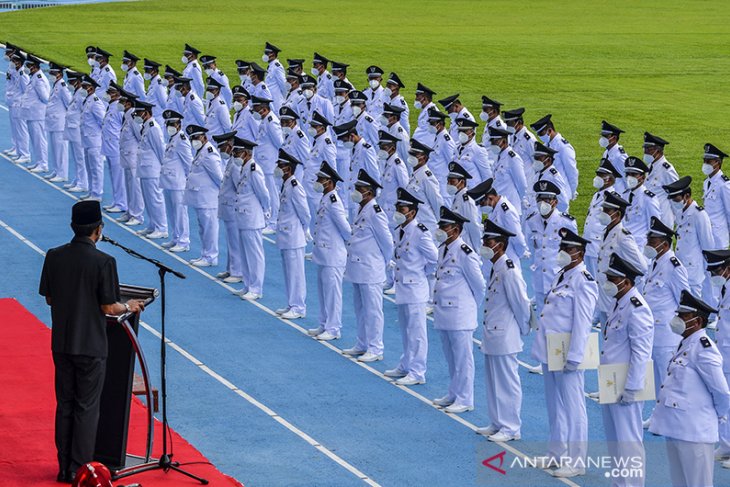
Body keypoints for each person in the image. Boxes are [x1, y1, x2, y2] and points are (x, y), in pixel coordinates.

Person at [39, 200, 146, 483]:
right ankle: (80, 470)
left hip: (61, 343)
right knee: (87, 407)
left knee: (65, 405)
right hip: (91, 346)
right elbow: (109, 307)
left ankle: (64, 467)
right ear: (98, 230)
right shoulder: (104, 262)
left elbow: (49, 297)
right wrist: (130, 306)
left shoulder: (54, 255)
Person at [530, 227, 598, 478]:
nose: (563, 252)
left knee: (573, 406)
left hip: (568, 351)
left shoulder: (584, 280)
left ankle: (577, 460)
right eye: (562, 248)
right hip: (551, 349)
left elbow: (583, 322)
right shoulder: (562, 274)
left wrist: (576, 356)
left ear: (579, 253)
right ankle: (556, 453)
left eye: (568, 249)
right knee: (554, 404)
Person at [649, 291, 730, 487]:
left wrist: (711, 418)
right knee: (681, 482)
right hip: (677, 427)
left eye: (683, 317)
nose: (677, 320)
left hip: (695, 430)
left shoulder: (704, 349)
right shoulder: (685, 343)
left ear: (698, 321)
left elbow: (721, 392)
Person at [600, 253, 653, 487]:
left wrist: (632, 387)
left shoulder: (637, 308)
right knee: (614, 438)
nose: (609, 282)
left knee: (629, 440)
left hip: (626, 382)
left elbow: (641, 352)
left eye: (613, 278)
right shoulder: (619, 302)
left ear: (627, 282)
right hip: (611, 378)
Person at [477, 220, 530, 442]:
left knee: (507, 382)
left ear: (500, 244)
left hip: (505, 335)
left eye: (488, 241)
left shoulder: (509, 271)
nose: (485, 244)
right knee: (493, 381)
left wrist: (522, 329)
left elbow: (521, 304)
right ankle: (497, 421)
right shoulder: (496, 267)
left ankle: (511, 427)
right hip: (493, 333)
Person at [431, 206, 486, 414]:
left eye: (444, 227)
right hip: (444, 311)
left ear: (455, 229)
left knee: (463, 359)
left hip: (460, 313)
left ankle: (465, 398)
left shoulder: (466, 253)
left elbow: (479, 286)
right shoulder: (442, 248)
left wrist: (470, 308)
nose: (441, 230)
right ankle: (454, 392)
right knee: (450, 356)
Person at [384, 188, 438, 385]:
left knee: (417, 333)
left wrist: (422, 274)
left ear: (412, 212)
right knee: (407, 330)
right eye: (398, 206)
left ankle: (417, 371)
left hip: (415, 288)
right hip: (403, 287)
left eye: (402, 208)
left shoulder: (420, 233)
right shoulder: (401, 230)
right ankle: (406, 364)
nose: (398, 210)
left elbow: (435, 259)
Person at [641, 217, 688, 429]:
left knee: (668, 379)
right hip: (653, 330)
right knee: (658, 377)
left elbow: (684, 299)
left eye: (653, 241)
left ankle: (673, 419)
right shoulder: (656, 262)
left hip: (666, 332)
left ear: (665, 243)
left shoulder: (673, 266)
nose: (649, 244)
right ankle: (659, 416)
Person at [342, 169, 394, 362]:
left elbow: (387, 242)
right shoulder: (361, 208)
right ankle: (362, 343)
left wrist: (383, 262)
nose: (355, 191)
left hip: (371, 268)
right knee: (360, 308)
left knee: (373, 310)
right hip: (358, 267)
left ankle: (375, 347)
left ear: (369, 192)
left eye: (360, 189)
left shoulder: (375, 212)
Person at [307, 162, 351, 341]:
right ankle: (324, 323)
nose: (318, 181)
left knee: (332, 293)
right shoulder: (326, 198)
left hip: (333, 254)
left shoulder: (334, 202)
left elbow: (345, 229)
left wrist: (345, 247)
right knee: (323, 290)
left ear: (330, 182)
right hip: (323, 253)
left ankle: (334, 328)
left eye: (321, 179)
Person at [595, 191, 647, 323]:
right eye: (603, 209)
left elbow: (642, 266)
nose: (603, 213)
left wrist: (624, 281)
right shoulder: (605, 232)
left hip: (616, 295)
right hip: (604, 293)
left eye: (607, 210)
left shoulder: (623, 237)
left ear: (617, 214)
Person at [525, 180, 578, 312]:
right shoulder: (531, 221)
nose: (543, 203)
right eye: (540, 199)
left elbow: (574, 253)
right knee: (541, 318)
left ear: (555, 202)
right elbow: (532, 247)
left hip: (558, 279)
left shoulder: (566, 222)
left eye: (547, 199)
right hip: (539, 278)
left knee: (558, 318)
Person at [663, 176, 715, 298]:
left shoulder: (699, 215)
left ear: (686, 196)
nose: (673, 202)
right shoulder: (681, 212)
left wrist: (706, 274)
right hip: (681, 268)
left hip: (694, 272)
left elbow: (708, 246)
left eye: (676, 199)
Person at [274, 150, 310, 319]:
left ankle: (298, 307)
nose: (278, 169)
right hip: (286, 235)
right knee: (289, 272)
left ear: (288, 169)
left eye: (281, 166)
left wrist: (304, 230)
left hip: (294, 236)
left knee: (296, 273)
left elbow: (304, 212)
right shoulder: (287, 184)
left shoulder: (295, 187)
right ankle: (291, 303)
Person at [233, 137, 270, 301]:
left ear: (246, 153)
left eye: (238, 152)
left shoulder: (254, 170)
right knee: (245, 253)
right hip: (243, 216)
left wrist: (265, 212)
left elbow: (263, 194)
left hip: (252, 217)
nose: (235, 155)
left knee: (254, 254)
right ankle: (248, 285)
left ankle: (256, 288)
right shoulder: (245, 168)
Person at [703, 249, 730, 463]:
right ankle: (726, 444)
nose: (714, 275)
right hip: (725, 351)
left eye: (718, 271)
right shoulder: (726, 288)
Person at [184, 125, 223, 267]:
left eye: (197, 137)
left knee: (209, 228)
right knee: (203, 228)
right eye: (192, 138)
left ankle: (211, 256)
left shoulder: (209, 154)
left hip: (208, 198)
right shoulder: (201, 151)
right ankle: (205, 254)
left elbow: (219, 178)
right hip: (201, 197)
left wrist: (222, 196)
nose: (194, 140)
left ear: (204, 137)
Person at [468, 178, 529, 264]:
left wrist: (518, 254)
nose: (481, 207)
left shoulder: (507, 212)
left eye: (482, 204)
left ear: (490, 198)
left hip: (507, 257)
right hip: (494, 258)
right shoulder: (493, 208)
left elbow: (517, 238)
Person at [134, 100, 167, 239]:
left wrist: (162, 168)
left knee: (155, 199)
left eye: (139, 113)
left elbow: (160, 149)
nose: (137, 115)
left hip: (152, 169)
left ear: (146, 113)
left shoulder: (154, 128)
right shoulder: (146, 126)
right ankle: (152, 224)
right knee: (148, 199)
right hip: (145, 168)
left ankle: (161, 227)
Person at [583, 158, 621, 279]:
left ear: (609, 179)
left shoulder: (613, 199)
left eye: (601, 175)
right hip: (589, 243)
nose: (597, 178)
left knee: (598, 279)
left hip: (599, 245)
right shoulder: (597, 195)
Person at [160, 110, 192, 253]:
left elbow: (188, 163)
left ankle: (183, 240)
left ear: (179, 124)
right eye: (168, 124)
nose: (170, 126)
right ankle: (175, 237)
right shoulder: (173, 138)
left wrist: (187, 181)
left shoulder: (182, 140)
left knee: (180, 212)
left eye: (172, 124)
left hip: (178, 182)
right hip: (168, 181)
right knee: (171, 212)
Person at [251, 95, 283, 233]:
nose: (254, 111)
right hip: (263, 162)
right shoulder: (265, 120)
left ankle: (274, 221)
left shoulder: (271, 121)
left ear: (263, 109)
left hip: (270, 163)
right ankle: (268, 217)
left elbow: (279, 143)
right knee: (267, 192)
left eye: (256, 108)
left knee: (273, 193)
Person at [530, 114, 578, 201]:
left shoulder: (563, 147)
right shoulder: (546, 145)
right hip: (546, 190)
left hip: (560, 192)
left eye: (541, 133)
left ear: (549, 130)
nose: (539, 136)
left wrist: (572, 191)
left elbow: (572, 171)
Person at [116, 88, 144, 227]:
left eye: (121, 101)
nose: (119, 103)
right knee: (128, 185)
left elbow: (140, 137)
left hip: (132, 157)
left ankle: (137, 215)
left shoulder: (133, 117)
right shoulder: (127, 115)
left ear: (128, 103)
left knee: (134, 186)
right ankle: (130, 210)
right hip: (126, 156)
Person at [622, 156, 661, 250]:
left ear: (643, 177)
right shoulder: (625, 195)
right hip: (624, 245)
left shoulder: (648, 199)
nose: (629, 177)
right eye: (628, 174)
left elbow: (655, 227)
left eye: (634, 174)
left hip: (640, 248)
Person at [405, 139, 443, 233]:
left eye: (415, 155)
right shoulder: (415, 174)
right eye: (411, 154)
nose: (411, 157)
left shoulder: (427, 177)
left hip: (427, 227)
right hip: (414, 224)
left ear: (424, 158)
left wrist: (441, 226)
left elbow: (437, 203)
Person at [99, 82, 126, 215]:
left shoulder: (119, 109)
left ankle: (121, 203)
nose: (107, 95)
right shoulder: (111, 107)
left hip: (116, 147)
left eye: (110, 92)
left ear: (117, 95)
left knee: (118, 176)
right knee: (113, 175)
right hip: (109, 147)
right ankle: (117, 200)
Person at [643, 132, 678, 228]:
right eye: (645, 148)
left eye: (648, 149)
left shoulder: (667, 170)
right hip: (648, 215)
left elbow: (676, 195)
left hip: (663, 218)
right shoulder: (649, 166)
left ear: (658, 150)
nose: (645, 151)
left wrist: (678, 219)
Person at [22, 54, 50, 174]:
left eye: (28, 65)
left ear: (34, 67)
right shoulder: (34, 77)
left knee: (39, 140)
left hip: (37, 114)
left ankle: (43, 164)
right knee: (35, 140)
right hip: (32, 114)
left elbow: (45, 98)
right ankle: (39, 162)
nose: (26, 68)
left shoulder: (38, 79)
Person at [446, 162, 482, 253]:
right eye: (448, 181)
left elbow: (473, 226)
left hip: (466, 244)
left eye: (452, 182)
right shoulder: (458, 197)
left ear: (462, 182)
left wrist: (476, 250)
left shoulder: (466, 200)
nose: (449, 184)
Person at [79, 76, 105, 202]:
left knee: (96, 168)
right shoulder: (87, 100)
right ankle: (91, 191)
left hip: (94, 141)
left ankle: (97, 193)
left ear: (91, 88)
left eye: (84, 87)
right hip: (87, 140)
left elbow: (102, 122)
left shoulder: (96, 102)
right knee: (89, 168)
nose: (82, 89)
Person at [44, 63, 71, 183]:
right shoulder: (56, 85)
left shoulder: (62, 86)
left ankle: (62, 173)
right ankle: (56, 170)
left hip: (59, 123)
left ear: (59, 74)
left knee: (61, 149)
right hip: (53, 122)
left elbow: (69, 103)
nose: (51, 75)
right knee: (54, 148)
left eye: (53, 73)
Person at [701, 143, 730, 250]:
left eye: (708, 161)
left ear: (717, 162)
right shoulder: (707, 182)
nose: (705, 164)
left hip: (719, 237)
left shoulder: (724, 185)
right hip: (707, 234)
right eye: (704, 161)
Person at [424, 108, 456, 203]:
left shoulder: (446, 141)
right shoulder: (438, 137)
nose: (430, 126)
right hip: (436, 182)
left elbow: (452, 164)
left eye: (433, 124)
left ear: (440, 124)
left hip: (443, 185)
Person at [454, 117, 492, 185]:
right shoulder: (456, 147)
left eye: (465, 131)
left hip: (473, 189)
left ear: (472, 133)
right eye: (460, 131)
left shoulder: (477, 150)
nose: (461, 133)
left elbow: (487, 176)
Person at [598, 120, 629, 194]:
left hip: (618, 194)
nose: (603, 138)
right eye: (602, 136)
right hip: (608, 192)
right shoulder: (606, 152)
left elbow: (627, 180)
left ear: (614, 138)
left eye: (606, 136)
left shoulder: (620, 156)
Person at [262, 42, 286, 111]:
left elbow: (283, 84)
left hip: (277, 101)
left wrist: (283, 98)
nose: (265, 55)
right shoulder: (271, 66)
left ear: (272, 54)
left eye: (267, 53)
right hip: (270, 99)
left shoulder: (277, 66)